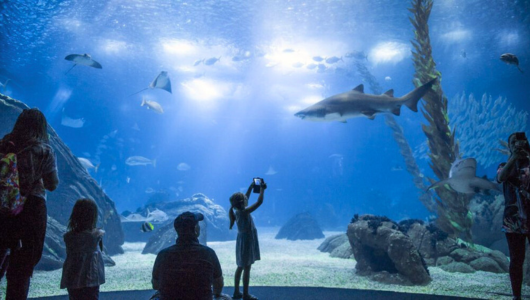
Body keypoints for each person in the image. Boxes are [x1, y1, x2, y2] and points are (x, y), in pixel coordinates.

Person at [0, 108, 59, 300]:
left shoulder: (4, 145)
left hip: (3, 206)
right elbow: (52, 185)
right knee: (23, 265)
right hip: (31, 209)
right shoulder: (44, 150)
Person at [151, 211, 230, 300]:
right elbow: (218, 284)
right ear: (196, 229)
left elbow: (156, 285)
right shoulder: (208, 253)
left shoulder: (163, 254)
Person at [497, 132, 530, 300]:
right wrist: (514, 158)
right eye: (513, 142)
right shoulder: (505, 165)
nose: (517, 144)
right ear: (509, 147)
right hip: (513, 221)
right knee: (517, 260)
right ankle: (516, 296)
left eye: (520, 142)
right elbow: (501, 178)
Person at [228, 178, 266, 300]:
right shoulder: (244, 212)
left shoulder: (237, 210)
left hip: (242, 240)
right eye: (245, 199)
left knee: (240, 267)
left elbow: (245, 199)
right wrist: (262, 190)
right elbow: (259, 202)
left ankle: (236, 292)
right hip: (247, 240)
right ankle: (245, 294)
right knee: (247, 267)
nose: (246, 199)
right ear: (242, 203)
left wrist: (250, 188)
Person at [60, 198, 105, 300]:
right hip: (90, 279)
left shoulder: (68, 236)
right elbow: (101, 236)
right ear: (93, 217)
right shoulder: (95, 235)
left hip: (73, 279)